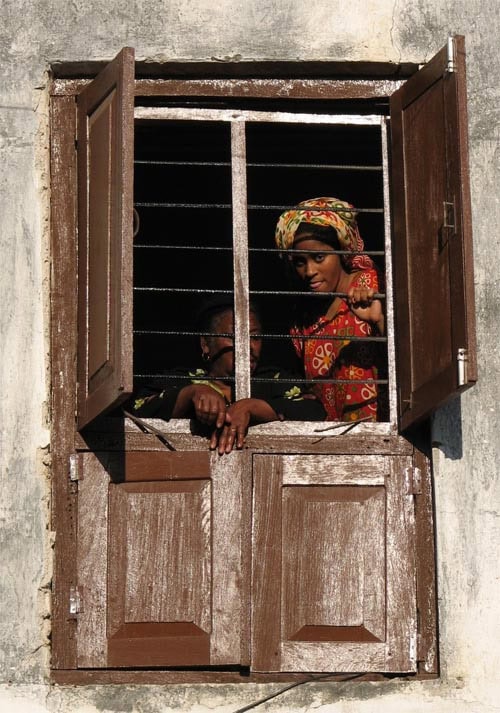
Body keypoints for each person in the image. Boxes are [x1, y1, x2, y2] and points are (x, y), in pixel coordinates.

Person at [131, 297, 325, 453]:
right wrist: (193, 393)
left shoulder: (272, 381)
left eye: (255, 337)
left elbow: (314, 411)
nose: (247, 346)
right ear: (206, 344)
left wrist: (250, 407)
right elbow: (137, 409)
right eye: (233, 337)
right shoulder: (186, 380)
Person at [274, 196, 385, 422]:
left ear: (341, 252)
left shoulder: (372, 286)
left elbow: (410, 361)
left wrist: (379, 320)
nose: (309, 271)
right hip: (330, 438)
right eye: (300, 262)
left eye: (319, 257)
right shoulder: (305, 319)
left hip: (377, 432)